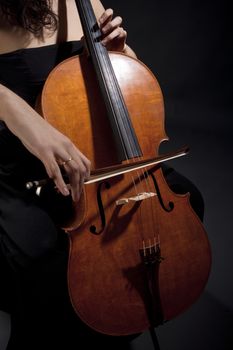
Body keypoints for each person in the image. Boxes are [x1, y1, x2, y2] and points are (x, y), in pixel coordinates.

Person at [0, 1, 204, 349]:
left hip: (96, 158)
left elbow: (134, 89)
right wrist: (16, 112)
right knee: (47, 264)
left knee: (185, 200)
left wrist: (119, 54)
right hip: (20, 169)